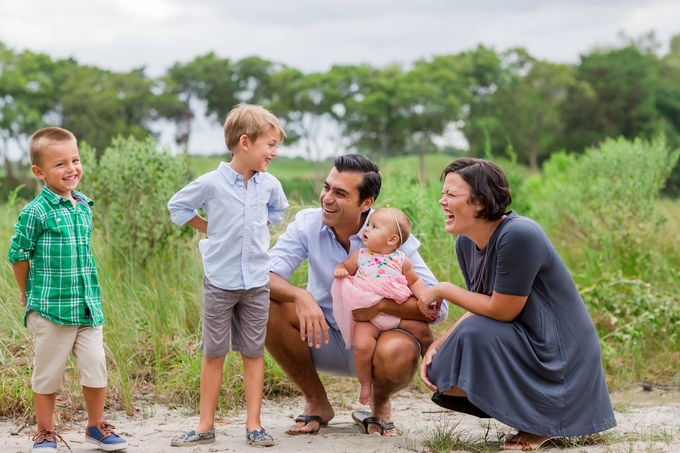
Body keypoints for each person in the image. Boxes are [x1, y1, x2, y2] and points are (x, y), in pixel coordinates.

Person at [417, 158, 616, 451]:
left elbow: (502, 310)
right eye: (443, 193)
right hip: (522, 340)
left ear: (480, 202)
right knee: (442, 369)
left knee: (472, 335)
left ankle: (543, 422)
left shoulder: (519, 234)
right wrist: (438, 344)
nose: (441, 201)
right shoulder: (466, 242)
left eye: (451, 195)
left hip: (559, 355)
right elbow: (481, 305)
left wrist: (444, 290)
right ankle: (532, 418)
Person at [266, 154, 448, 436]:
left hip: (378, 343)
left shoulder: (391, 234)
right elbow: (264, 277)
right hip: (322, 335)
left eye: (340, 193)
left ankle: (380, 405)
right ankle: (316, 401)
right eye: (327, 187)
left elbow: (439, 309)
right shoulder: (307, 224)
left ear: (366, 204)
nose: (327, 198)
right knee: (265, 304)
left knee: (400, 348)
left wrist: (381, 307)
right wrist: (299, 295)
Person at [167, 104, 288, 448]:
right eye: (271, 144)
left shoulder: (269, 185)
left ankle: (254, 425)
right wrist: (209, 227)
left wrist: (259, 224)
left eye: (277, 145)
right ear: (246, 142)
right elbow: (178, 207)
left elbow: (278, 211)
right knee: (214, 352)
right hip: (220, 282)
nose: (275, 152)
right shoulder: (212, 183)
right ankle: (205, 425)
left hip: (256, 283)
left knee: (253, 352)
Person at [8, 127, 128, 452]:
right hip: (51, 309)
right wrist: (25, 292)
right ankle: (46, 432)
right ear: (39, 172)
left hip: (88, 307)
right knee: (48, 374)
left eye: (75, 160)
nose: (71, 168)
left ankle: (95, 427)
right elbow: (18, 254)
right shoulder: (36, 211)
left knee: (95, 367)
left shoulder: (83, 207)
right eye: (60, 164)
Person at [331, 207, 434, 406]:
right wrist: (340, 271)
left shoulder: (401, 260)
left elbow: (415, 282)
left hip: (394, 313)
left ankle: (435, 367)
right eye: (368, 225)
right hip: (367, 317)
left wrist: (423, 298)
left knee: (423, 332)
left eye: (374, 226)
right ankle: (366, 384)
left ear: (392, 240)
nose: (366, 229)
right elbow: (343, 265)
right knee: (362, 346)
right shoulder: (360, 255)